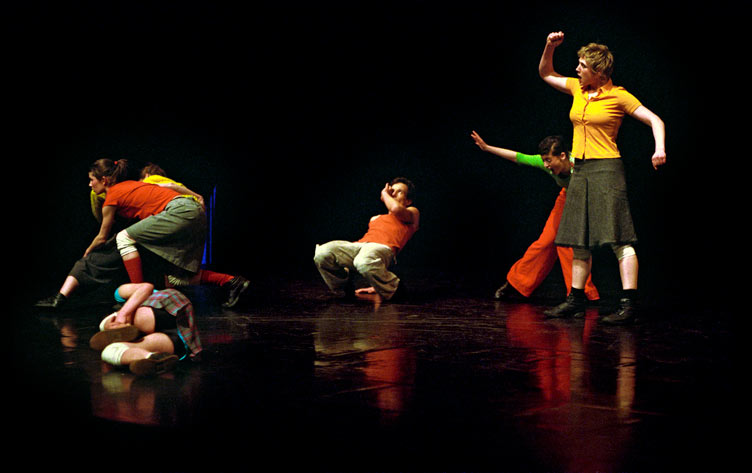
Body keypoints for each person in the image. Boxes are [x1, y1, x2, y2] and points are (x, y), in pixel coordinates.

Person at [537, 31, 666, 324]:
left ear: (598, 71)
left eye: (582, 66)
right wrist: (549, 46)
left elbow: (655, 120)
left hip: (607, 169)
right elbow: (546, 73)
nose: (577, 69)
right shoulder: (578, 89)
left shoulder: (618, 96)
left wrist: (659, 149)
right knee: (579, 239)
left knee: (618, 237)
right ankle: (575, 300)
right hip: (580, 170)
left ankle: (628, 304)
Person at [35, 162, 249, 309]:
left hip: (180, 212)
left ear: (105, 180)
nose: (90, 184)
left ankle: (140, 296)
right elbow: (169, 185)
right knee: (175, 277)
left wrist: (88, 251)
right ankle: (232, 282)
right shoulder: (138, 187)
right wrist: (197, 196)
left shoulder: (116, 194)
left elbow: (102, 236)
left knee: (124, 238)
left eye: (92, 179)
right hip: (194, 216)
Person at [471, 131, 599, 302]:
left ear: (562, 156)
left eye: (549, 160)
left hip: (586, 200)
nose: (546, 165)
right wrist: (487, 148)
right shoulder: (546, 163)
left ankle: (580, 292)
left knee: (568, 245)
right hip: (566, 197)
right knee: (545, 242)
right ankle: (517, 282)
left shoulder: (580, 164)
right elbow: (518, 157)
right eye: (544, 160)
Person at [314, 178, 419, 303]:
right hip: (360, 246)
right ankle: (344, 288)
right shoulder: (375, 218)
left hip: (383, 248)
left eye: (399, 191)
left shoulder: (412, 212)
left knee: (363, 261)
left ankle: (395, 289)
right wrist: (378, 285)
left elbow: (396, 209)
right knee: (323, 253)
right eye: (392, 191)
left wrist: (384, 193)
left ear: (408, 201)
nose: (393, 193)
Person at [90, 282, 202, 376]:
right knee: (110, 351)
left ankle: (120, 323)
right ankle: (153, 358)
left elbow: (147, 287)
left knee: (109, 324)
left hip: (165, 306)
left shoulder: (119, 294)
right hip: (177, 338)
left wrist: (122, 315)